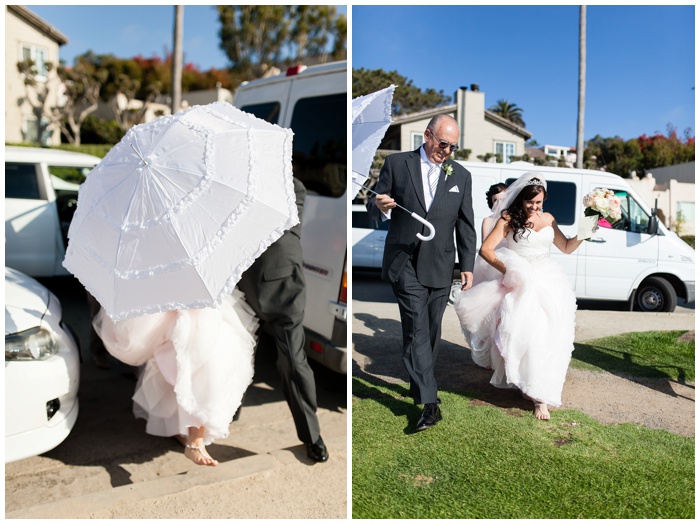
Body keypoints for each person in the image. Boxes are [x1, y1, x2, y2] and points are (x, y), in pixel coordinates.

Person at [367, 114, 477, 431]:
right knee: (416, 328)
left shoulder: (461, 175)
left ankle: (419, 385)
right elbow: (373, 206)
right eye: (443, 144)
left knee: (429, 333)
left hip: (441, 264)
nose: (447, 151)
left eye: (453, 146)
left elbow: (465, 225)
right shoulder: (397, 164)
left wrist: (467, 265)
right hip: (405, 262)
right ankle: (430, 403)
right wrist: (381, 206)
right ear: (427, 135)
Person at [453, 172, 585, 420]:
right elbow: (486, 250)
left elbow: (566, 247)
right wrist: (509, 271)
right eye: (530, 203)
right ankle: (532, 389)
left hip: (549, 281)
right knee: (527, 335)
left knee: (551, 337)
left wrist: (586, 231)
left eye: (539, 202)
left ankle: (541, 393)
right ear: (520, 200)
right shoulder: (508, 219)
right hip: (521, 282)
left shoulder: (548, 218)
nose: (534, 208)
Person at [93, 293, 258, 466]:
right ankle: (191, 438)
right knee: (182, 369)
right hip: (168, 309)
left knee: (208, 367)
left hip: (206, 309)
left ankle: (192, 436)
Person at [237, 177, 328, 462]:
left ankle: (312, 436)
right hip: (235, 287)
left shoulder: (291, 186)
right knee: (230, 352)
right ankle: (221, 415)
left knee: (292, 360)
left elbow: (286, 225)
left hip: (280, 287)